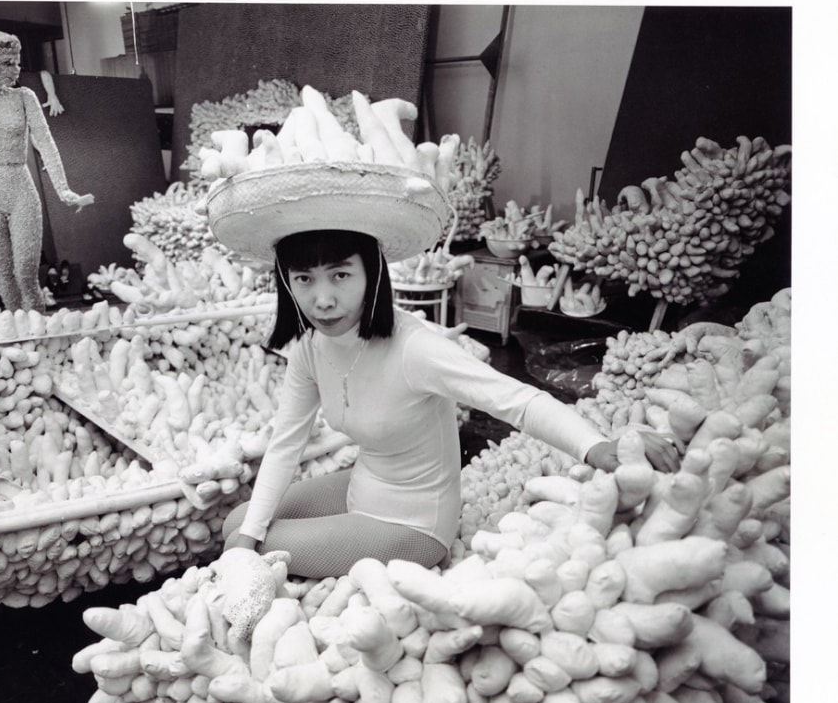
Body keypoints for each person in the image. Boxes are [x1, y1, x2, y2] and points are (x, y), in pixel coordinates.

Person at [207, 165, 679, 580]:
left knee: (252, 544)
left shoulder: (415, 348)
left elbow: (516, 400)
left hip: (412, 523)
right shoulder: (310, 349)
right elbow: (286, 443)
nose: (323, 299)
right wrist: (247, 535)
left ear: (372, 274)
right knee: (240, 524)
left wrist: (595, 446)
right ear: (286, 283)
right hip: (362, 486)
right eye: (304, 279)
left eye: (341, 275)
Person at [0, 28, 93, 313]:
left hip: (20, 187)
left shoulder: (24, 97)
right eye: (8, 63)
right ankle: (15, 327)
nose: (16, 69)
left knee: (26, 271)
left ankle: (36, 325)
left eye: (17, 62)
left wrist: (63, 188)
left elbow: (46, 142)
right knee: (4, 271)